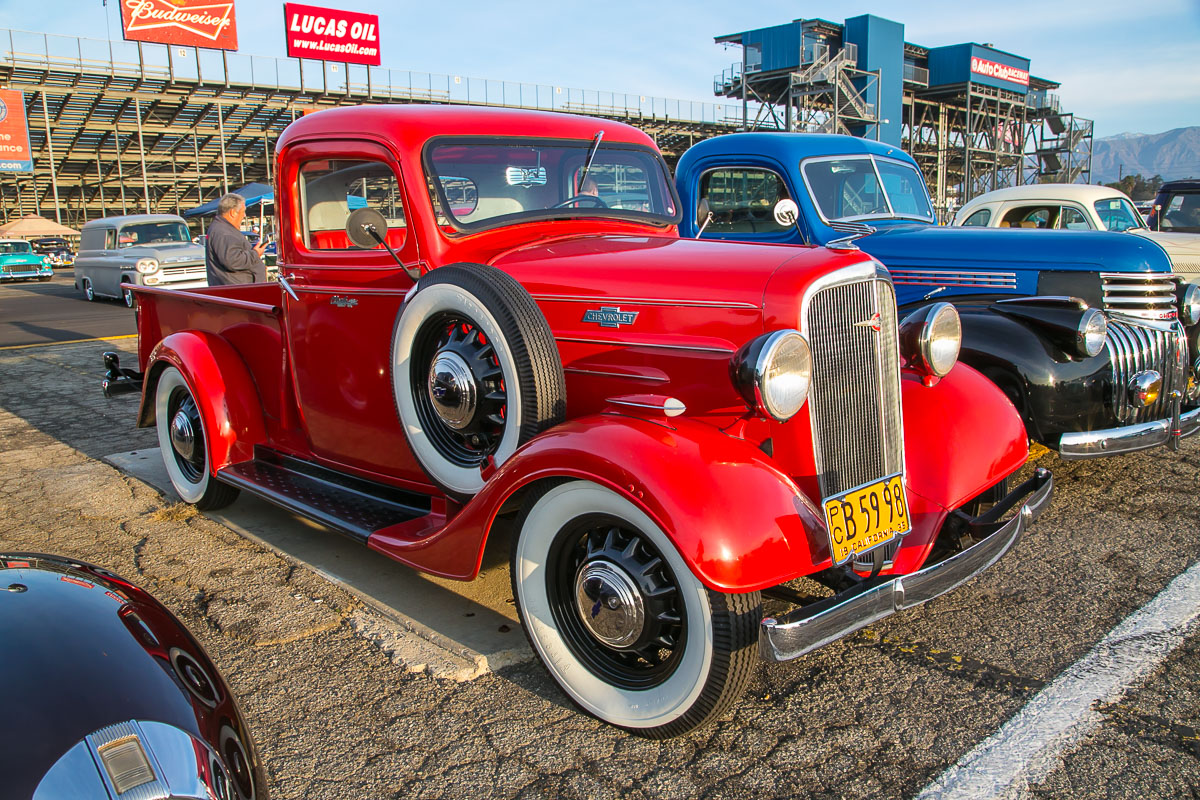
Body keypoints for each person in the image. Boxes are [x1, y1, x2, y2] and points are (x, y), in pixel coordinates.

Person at [206, 193, 268, 285]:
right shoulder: (224, 232)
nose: (244, 215)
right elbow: (233, 261)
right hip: (239, 290)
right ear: (233, 213)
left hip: (239, 287)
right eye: (243, 211)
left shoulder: (223, 229)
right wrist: (255, 254)